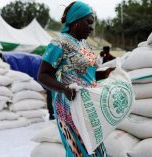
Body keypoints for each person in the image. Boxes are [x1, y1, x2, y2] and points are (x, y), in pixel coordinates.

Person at [38, 1, 112, 156]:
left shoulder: (84, 45)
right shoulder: (60, 42)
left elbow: (84, 74)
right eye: (89, 22)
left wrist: (102, 75)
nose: (92, 28)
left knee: (96, 149)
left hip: (88, 105)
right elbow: (43, 74)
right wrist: (63, 89)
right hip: (70, 106)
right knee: (79, 150)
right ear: (77, 22)